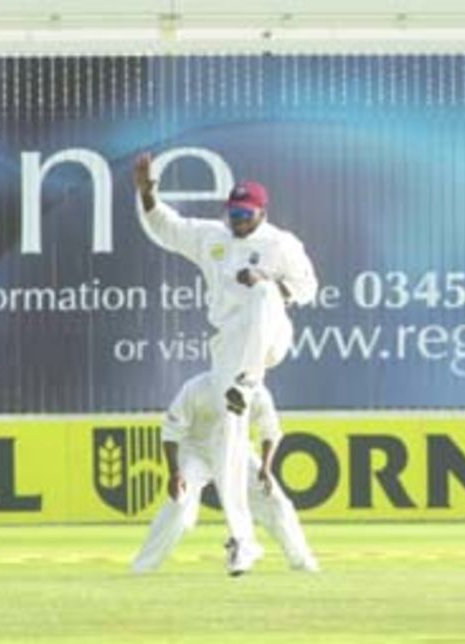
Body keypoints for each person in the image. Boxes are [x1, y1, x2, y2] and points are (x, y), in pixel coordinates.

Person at [133, 154, 318, 574]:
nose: (237, 220)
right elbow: (167, 226)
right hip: (228, 350)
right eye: (233, 212)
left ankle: (248, 379)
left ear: (262, 213)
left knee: (264, 294)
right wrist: (147, 193)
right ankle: (242, 541)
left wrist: (270, 283)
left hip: (270, 337)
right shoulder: (212, 237)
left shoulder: (280, 244)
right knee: (231, 443)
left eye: (245, 214)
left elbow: (308, 287)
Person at [132, 372, 319, 576]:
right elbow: (171, 431)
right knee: (179, 504)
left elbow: (270, 432)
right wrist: (175, 473)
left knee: (275, 501)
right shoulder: (197, 387)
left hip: (237, 453)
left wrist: (265, 468)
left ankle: (301, 560)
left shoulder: (257, 393)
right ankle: (143, 566)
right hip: (196, 453)